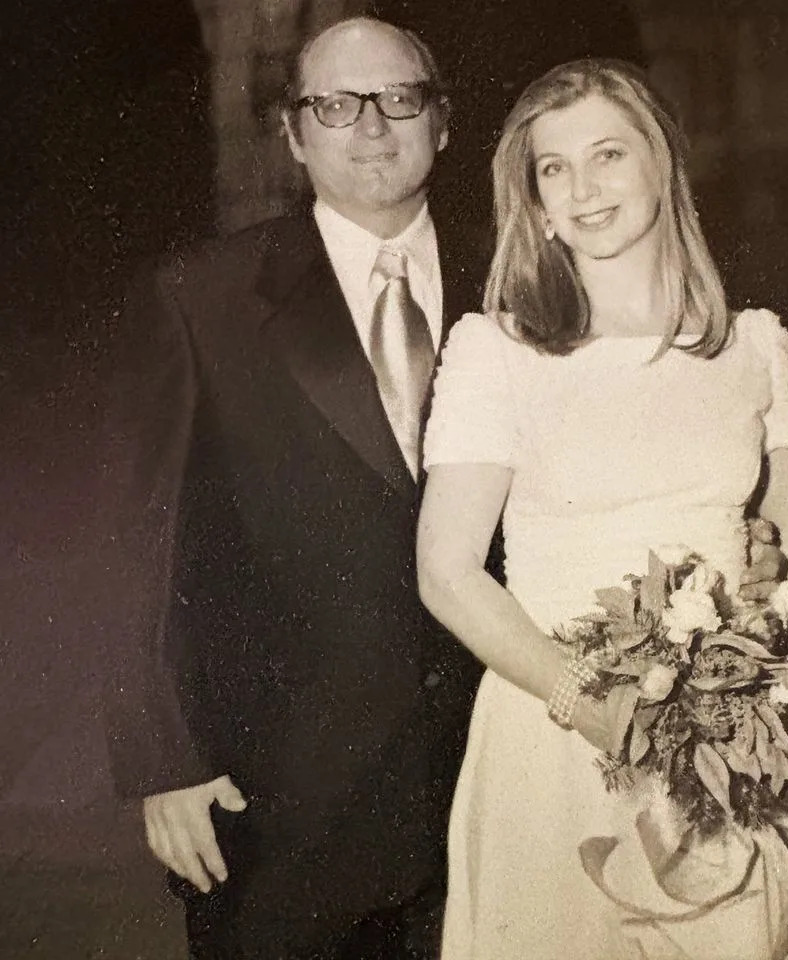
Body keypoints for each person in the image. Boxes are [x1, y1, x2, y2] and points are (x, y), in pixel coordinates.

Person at [417, 59, 788, 959]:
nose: (583, 188)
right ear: (536, 203)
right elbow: (447, 574)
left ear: (662, 163)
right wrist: (585, 701)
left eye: (608, 154)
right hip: (556, 729)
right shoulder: (495, 351)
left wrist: (762, 577)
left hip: (723, 733)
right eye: (555, 168)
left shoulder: (753, 345)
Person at [105, 17, 487, 959]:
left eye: (399, 99)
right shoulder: (202, 297)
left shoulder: (520, 280)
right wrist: (163, 761)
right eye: (336, 105)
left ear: (442, 121)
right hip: (279, 803)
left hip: (491, 781)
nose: (371, 127)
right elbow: (137, 546)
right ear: (294, 133)